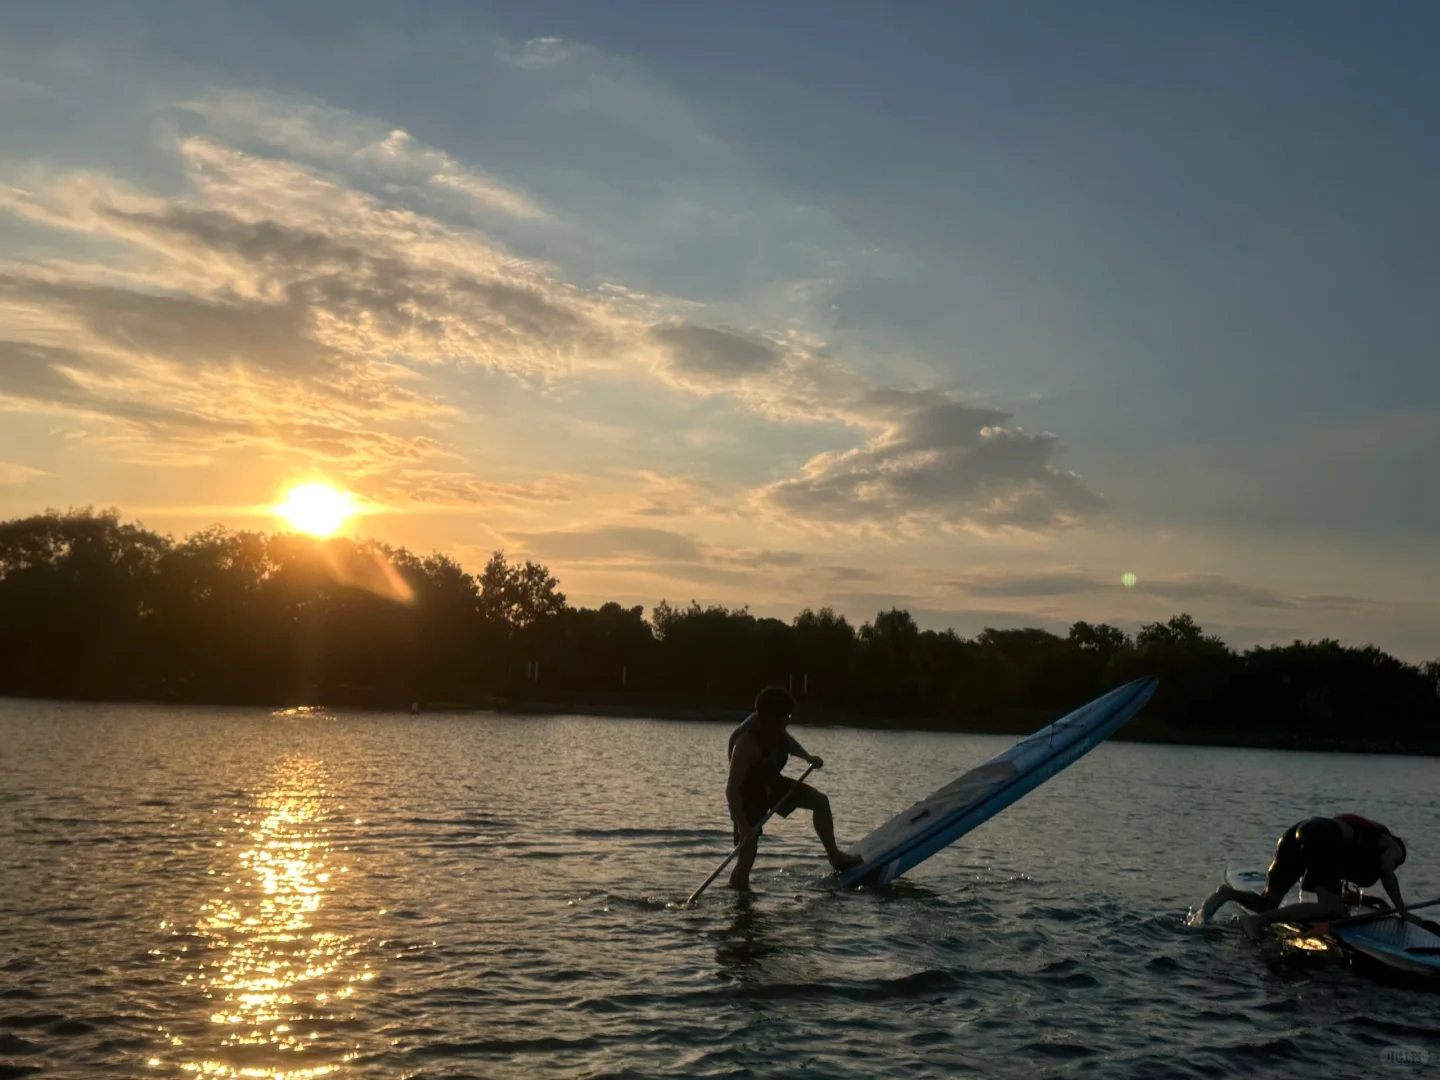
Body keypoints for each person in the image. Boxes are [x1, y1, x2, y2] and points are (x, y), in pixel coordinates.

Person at [725, 686, 863, 890]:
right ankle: (739, 894)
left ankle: (835, 856)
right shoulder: (745, 745)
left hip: (771, 781)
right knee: (747, 852)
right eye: (786, 717)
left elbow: (790, 743)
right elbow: (732, 791)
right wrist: (743, 826)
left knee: (820, 802)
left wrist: (807, 757)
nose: (788, 722)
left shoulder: (777, 729)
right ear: (769, 718)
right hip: (747, 795)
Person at [1197, 813, 1409, 940]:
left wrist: (1358, 900)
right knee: (1330, 909)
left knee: (1268, 902)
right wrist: (1403, 912)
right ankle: (1256, 922)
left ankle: (1228, 894)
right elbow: (1387, 873)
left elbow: (1332, 876)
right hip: (1320, 835)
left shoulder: (1358, 842)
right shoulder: (1395, 849)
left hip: (1300, 831)